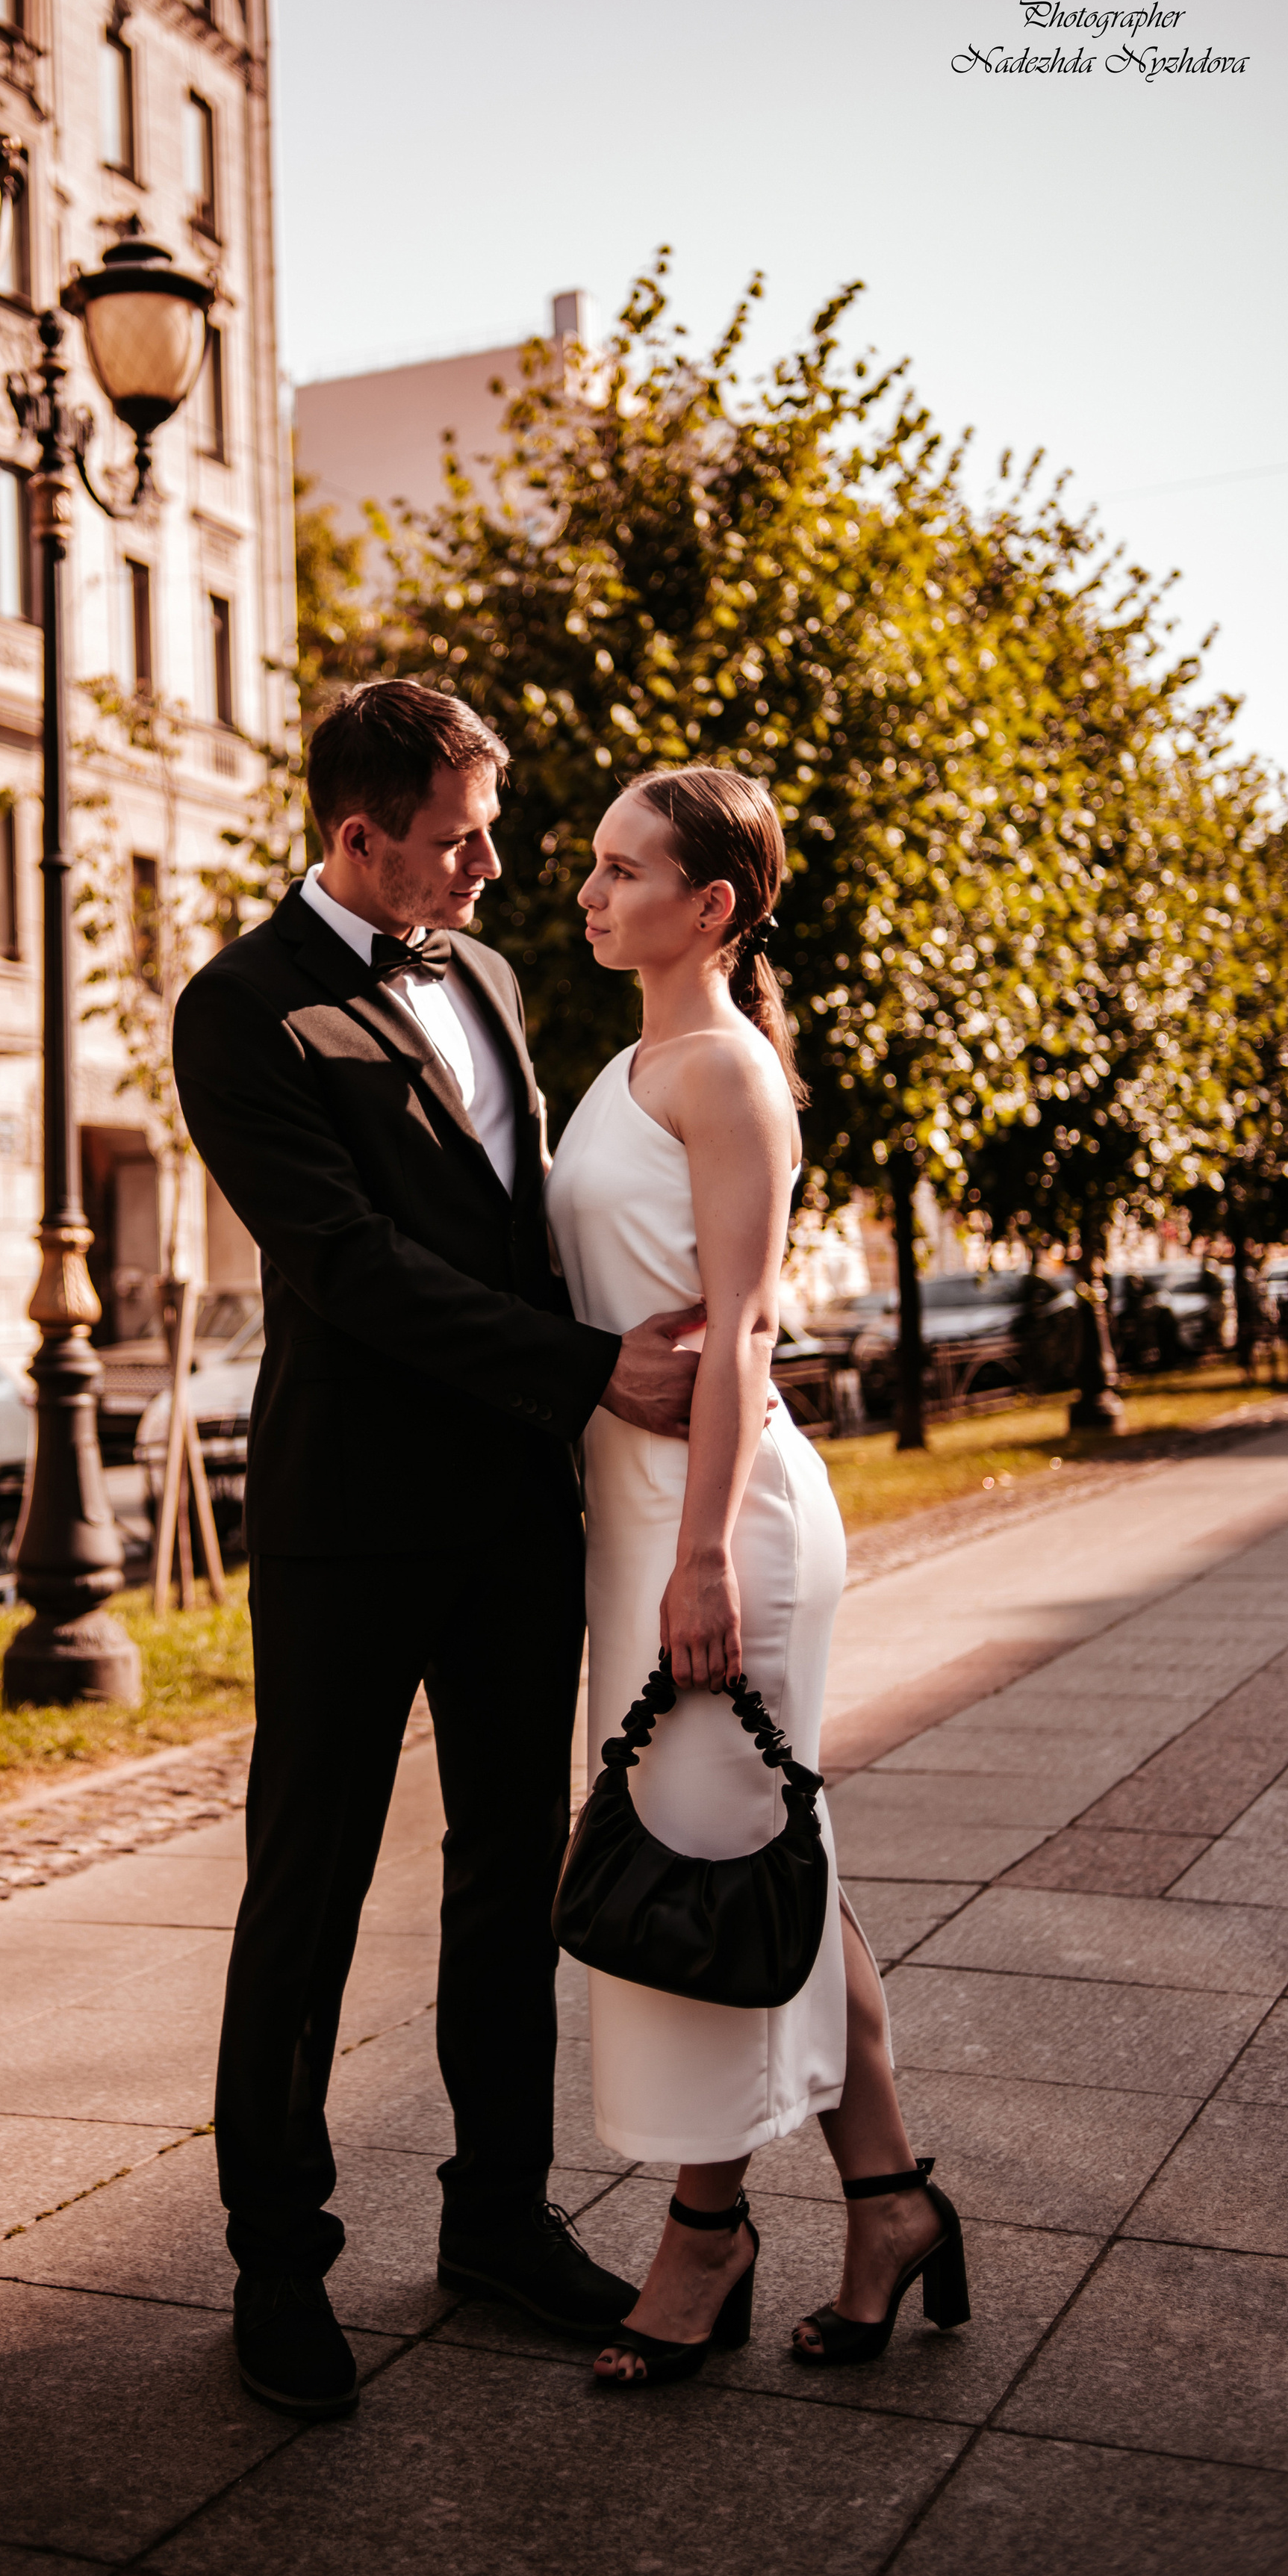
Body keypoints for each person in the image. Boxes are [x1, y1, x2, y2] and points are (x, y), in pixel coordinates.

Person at [172, 680, 706, 2420]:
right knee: (305, 1890)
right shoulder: (238, 1011)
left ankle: (496, 2218)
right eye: (461, 834)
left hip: (509, 1518)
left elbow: (515, 1225)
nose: (495, 864)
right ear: (358, 838)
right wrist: (584, 1371)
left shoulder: (479, 979)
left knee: (506, 1882)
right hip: (346, 1529)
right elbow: (347, 1267)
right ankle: (276, 2266)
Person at [544, 766, 971, 2386]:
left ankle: (700, 2236)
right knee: (767, 1857)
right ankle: (888, 2203)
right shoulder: (632, 1055)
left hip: (714, 1526)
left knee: (704, 1857)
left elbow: (742, 1329)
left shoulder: (726, 1071)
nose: (588, 890)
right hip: (639, 1520)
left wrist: (703, 1556)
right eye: (591, 863)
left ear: (709, 904)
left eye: (620, 869)